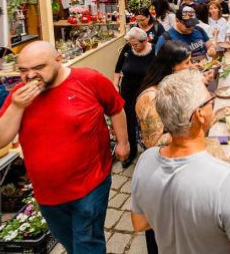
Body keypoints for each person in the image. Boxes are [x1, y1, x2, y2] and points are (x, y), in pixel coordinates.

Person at [0, 41, 129, 254]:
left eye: (39, 68)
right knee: (70, 243)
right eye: (23, 71)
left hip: (90, 186)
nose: (30, 76)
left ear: (58, 60)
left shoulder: (89, 79)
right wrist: (16, 106)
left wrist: (123, 143)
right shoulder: (20, 96)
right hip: (46, 194)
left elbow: (116, 108)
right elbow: (2, 139)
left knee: (87, 244)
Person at [131, 69, 230, 254]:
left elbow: (139, 222)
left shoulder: (145, 161)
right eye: (209, 99)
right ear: (200, 114)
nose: (212, 101)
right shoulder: (223, 178)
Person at [135, 41, 194, 254]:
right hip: (160, 172)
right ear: (171, 67)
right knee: (159, 233)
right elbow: (153, 143)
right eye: (186, 63)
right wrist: (192, 126)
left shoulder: (170, 87)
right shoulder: (151, 97)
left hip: (177, 165)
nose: (191, 66)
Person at [114, 28, 155, 168]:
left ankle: (150, 150)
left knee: (146, 120)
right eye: (131, 44)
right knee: (129, 120)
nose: (133, 47)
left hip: (145, 91)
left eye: (136, 44)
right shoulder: (127, 48)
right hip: (127, 90)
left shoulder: (154, 50)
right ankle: (131, 151)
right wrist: (115, 85)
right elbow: (118, 69)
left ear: (145, 41)